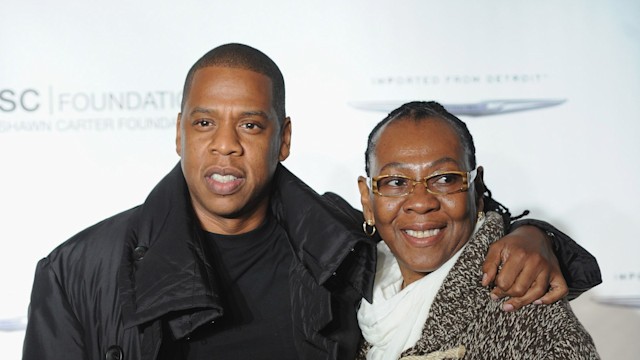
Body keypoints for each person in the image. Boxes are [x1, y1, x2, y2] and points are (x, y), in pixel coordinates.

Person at [22, 44, 600, 360]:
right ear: (179, 133)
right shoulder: (80, 272)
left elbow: (438, 232)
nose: (225, 145)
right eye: (204, 123)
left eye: (250, 124)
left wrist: (535, 236)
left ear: (284, 138)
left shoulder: (337, 241)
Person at [356, 101, 600, 359]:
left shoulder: (540, 330)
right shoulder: (344, 291)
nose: (421, 202)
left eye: (445, 179)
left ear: (477, 190)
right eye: (395, 181)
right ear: (367, 201)